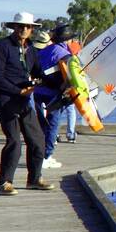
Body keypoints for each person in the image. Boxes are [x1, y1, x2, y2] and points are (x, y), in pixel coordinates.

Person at [0, 12, 54, 194]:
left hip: (23, 101)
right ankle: (3, 183)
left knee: (38, 139)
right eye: (20, 26)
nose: (24, 29)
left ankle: (34, 179)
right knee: (14, 142)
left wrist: (63, 83)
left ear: (32, 29)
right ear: (14, 28)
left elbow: (39, 73)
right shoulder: (2, 47)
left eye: (27, 27)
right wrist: (18, 90)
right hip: (5, 100)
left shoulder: (32, 49)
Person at [32, 27, 71, 169]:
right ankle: (46, 156)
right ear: (67, 40)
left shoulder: (42, 51)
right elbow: (69, 75)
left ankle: (39, 154)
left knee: (41, 124)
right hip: (53, 93)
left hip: (38, 91)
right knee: (53, 124)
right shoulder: (63, 53)